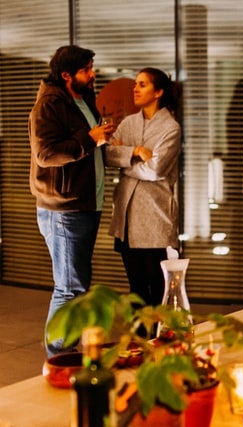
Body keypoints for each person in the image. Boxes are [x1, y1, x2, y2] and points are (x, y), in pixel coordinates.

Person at [29, 45, 113, 357]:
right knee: (69, 288)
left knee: (77, 285)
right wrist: (89, 140)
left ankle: (66, 351)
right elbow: (46, 154)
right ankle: (57, 355)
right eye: (86, 69)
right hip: (63, 209)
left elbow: (90, 142)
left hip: (84, 204)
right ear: (66, 75)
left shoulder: (83, 98)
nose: (93, 73)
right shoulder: (49, 104)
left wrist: (101, 138)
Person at [105, 68, 181, 306]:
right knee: (135, 289)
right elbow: (107, 154)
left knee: (158, 290)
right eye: (135, 84)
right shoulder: (128, 123)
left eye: (142, 84)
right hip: (126, 219)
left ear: (158, 92)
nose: (135, 89)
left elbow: (156, 170)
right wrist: (136, 152)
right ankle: (139, 330)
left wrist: (124, 161)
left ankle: (157, 330)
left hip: (154, 220)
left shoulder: (171, 128)